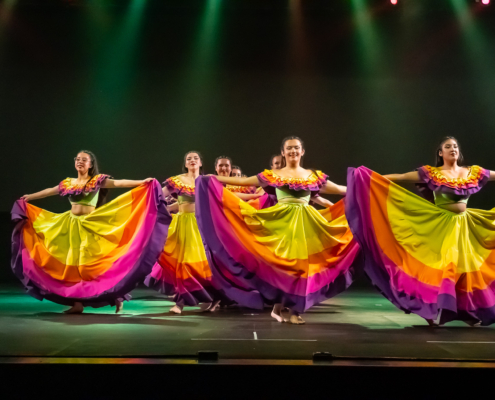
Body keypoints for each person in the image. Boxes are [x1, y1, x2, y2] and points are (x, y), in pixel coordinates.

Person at [196, 136, 361, 324]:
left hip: (305, 224)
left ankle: (294, 311)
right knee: (283, 266)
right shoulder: (273, 175)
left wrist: (363, 185)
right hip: (280, 222)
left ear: (302, 151)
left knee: (301, 267)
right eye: (289, 148)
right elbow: (247, 182)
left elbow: (340, 189)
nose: (293, 151)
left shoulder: (312, 176)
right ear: (283, 152)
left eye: (296, 148)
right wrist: (213, 178)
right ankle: (279, 306)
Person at [346, 136, 495, 326]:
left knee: (467, 270)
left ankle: (468, 313)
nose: (453, 149)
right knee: (441, 269)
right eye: (448, 146)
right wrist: (369, 179)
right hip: (441, 226)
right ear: (440, 153)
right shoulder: (432, 173)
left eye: (455, 146)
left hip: (465, 226)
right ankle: (429, 310)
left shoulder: (472, 172)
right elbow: (401, 177)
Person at [11, 150, 169, 314]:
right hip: (70, 225)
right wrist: (30, 197)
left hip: (90, 225)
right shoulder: (68, 183)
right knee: (74, 268)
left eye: (84, 160)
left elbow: (118, 183)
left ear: (90, 164)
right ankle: (77, 303)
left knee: (91, 268)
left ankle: (116, 296)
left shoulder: (96, 181)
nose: (80, 162)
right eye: (78, 159)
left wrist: (141, 182)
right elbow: (50, 190)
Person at [145, 151, 222, 314]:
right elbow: (159, 194)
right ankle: (184, 301)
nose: (192, 160)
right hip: (182, 225)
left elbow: (219, 199)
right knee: (182, 263)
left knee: (200, 264)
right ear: (185, 164)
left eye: (196, 158)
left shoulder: (206, 180)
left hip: (201, 225)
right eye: (189, 159)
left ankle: (206, 297)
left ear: (200, 163)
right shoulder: (178, 181)